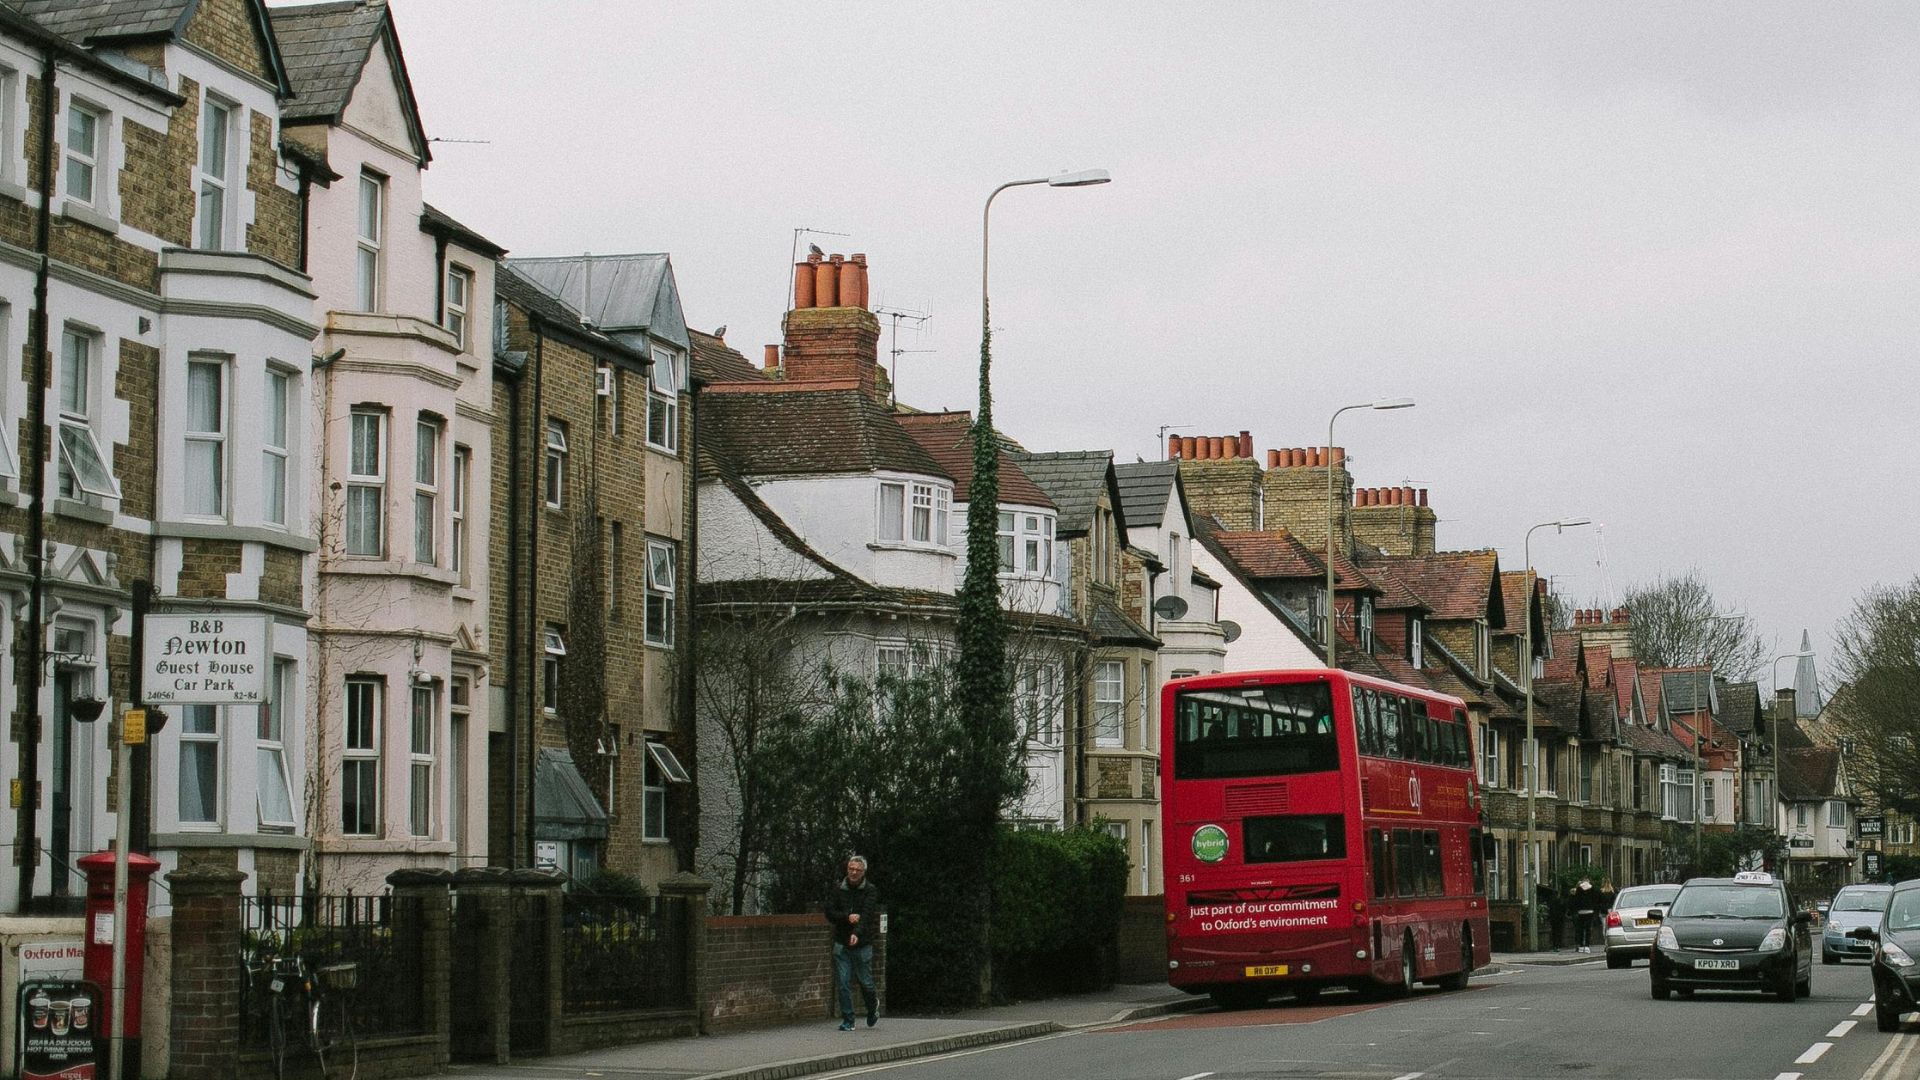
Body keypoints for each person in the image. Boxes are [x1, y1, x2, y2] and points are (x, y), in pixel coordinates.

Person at [824, 854, 880, 1031]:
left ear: (863, 872)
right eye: (851, 869)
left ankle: (872, 1008)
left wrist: (856, 932)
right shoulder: (838, 889)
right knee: (843, 982)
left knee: (865, 982)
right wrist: (847, 917)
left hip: (862, 943)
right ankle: (848, 1019)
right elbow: (830, 912)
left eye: (857, 870)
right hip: (841, 943)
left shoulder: (870, 890)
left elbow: (867, 915)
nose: (853, 872)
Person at [1569, 877, 1600, 953]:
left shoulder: (1579, 889)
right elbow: (1595, 900)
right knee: (1588, 929)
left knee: (1581, 928)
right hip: (1590, 911)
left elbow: (1576, 900)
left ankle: (1581, 945)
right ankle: (1587, 945)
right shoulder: (1592, 889)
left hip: (1581, 911)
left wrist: (1577, 908)